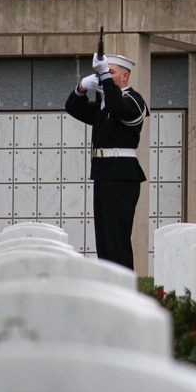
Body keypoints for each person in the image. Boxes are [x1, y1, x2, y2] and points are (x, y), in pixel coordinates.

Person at [65, 52, 147, 269]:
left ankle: (123, 279)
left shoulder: (133, 100)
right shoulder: (103, 107)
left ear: (125, 77)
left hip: (122, 174)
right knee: (103, 235)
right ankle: (109, 276)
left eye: (110, 73)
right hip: (103, 172)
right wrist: (82, 87)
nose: (104, 78)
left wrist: (105, 79)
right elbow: (73, 107)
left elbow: (120, 107)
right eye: (101, 73)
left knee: (116, 234)